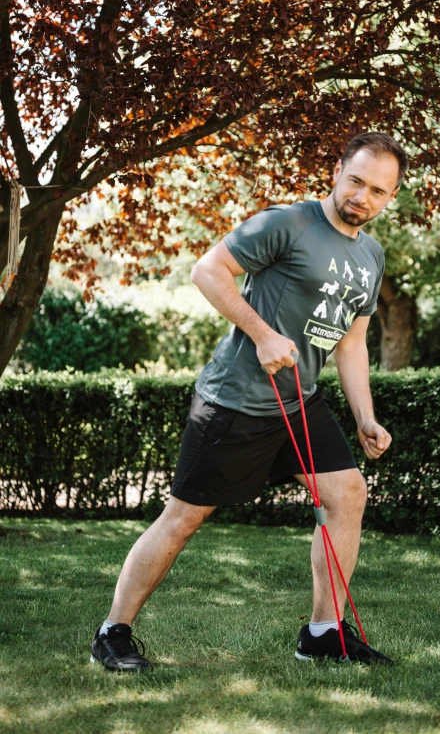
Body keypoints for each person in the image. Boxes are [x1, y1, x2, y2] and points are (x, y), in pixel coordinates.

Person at [90, 131, 407, 671]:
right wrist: (261, 333)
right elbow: (207, 270)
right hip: (236, 401)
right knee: (183, 519)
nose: (363, 197)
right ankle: (113, 633)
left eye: (378, 190)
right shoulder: (285, 223)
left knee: (348, 494)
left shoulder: (371, 255)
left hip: (300, 401)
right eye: (356, 181)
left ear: (390, 196)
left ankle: (322, 634)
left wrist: (365, 417)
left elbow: (352, 342)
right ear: (336, 170)